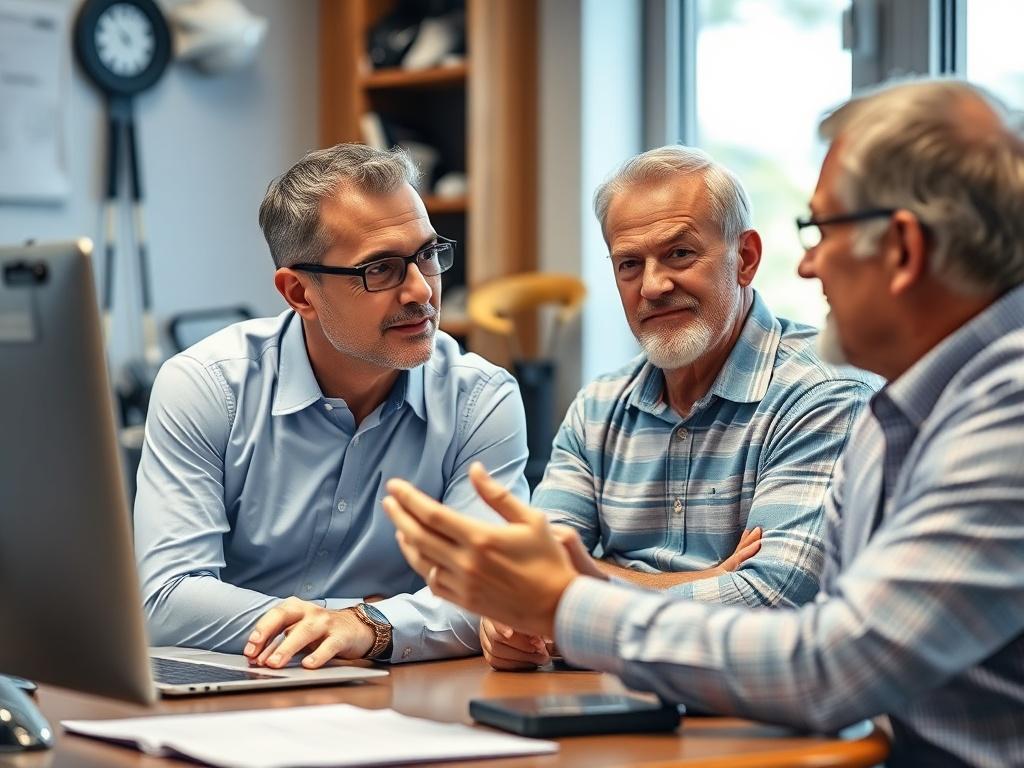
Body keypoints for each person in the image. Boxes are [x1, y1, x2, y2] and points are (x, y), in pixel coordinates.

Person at [384, 78, 1024, 766]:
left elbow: (819, 655)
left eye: (822, 230)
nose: (808, 264)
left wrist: (566, 599)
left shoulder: (1001, 418)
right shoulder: (907, 413)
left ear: (901, 248)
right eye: (629, 264)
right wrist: (555, 593)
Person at [480, 146, 879, 670]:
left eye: (680, 254)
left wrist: (575, 600)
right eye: (629, 264)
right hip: (592, 700)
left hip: (749, 709)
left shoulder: (822, 393)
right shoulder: (597, 407)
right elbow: (530, 575)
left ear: (746, 259)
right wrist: (707, 580)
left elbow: (773, 601)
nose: (653, 286)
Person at [134, 143, 529, 669]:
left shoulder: (479, 399)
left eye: (428, 254)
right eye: (381, 269)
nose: (421, 291)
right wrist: (356, 618)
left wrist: (368, 627)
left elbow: (494, 594)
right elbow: (166, 601)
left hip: (391, 692)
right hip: (236, 684)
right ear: (300, 293)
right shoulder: (206, 386)